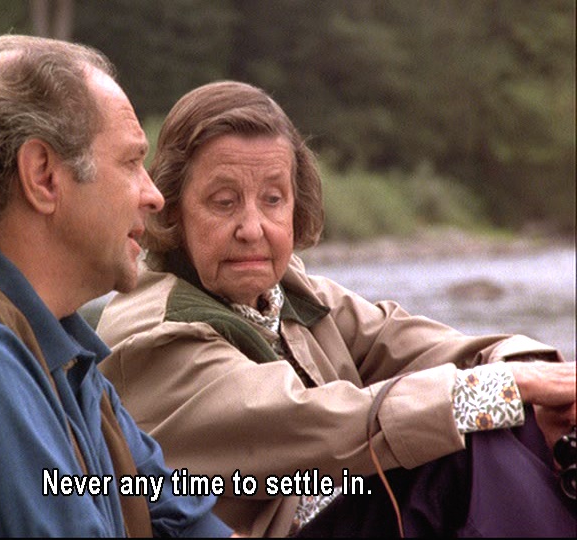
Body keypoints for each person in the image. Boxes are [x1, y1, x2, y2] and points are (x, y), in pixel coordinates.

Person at [96, 80, 577, 537]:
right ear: (172, 210)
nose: (252, 228)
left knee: (515, 421)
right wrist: (498, 391)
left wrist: (536, 379)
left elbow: (409, 341)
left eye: (273, 200)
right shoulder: (155, 331)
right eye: (224, 202)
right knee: (463, 444)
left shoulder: (287, 291)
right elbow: (308, 421)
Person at [0, 35, 234, 538]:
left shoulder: (59, 350)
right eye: (130, 162)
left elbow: (182, 519)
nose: (154, 196)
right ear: (43, 176)